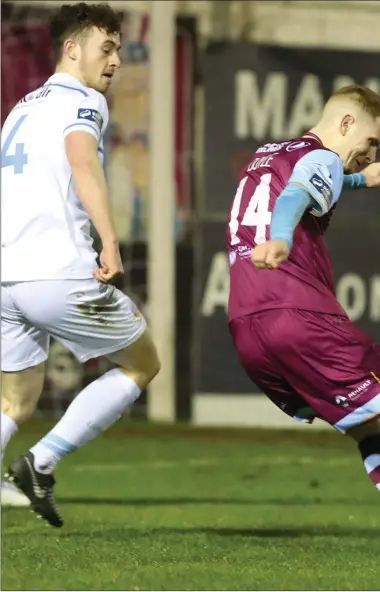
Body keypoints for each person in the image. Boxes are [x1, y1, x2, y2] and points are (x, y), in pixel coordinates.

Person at [1, 2, 160, 526]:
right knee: (142, 364)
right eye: (106, 48)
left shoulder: (21, 107)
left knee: (15, 402)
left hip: (7, 276)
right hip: (59, 271)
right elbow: (81, 159)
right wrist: (108, 241)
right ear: (72, 49)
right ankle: (41, 463)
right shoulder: (84, 99)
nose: (114, 60)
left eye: (117, 48)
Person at [227, 84, 380, 494]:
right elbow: (297, 194)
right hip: (298, 316)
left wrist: (359, 180)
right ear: (346, 123)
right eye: (371, 141)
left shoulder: (269, 155)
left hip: (247, 328)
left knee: (368, 428)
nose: (372, 153)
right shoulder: (324, 156)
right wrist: (281, 238)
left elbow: (306, 180)